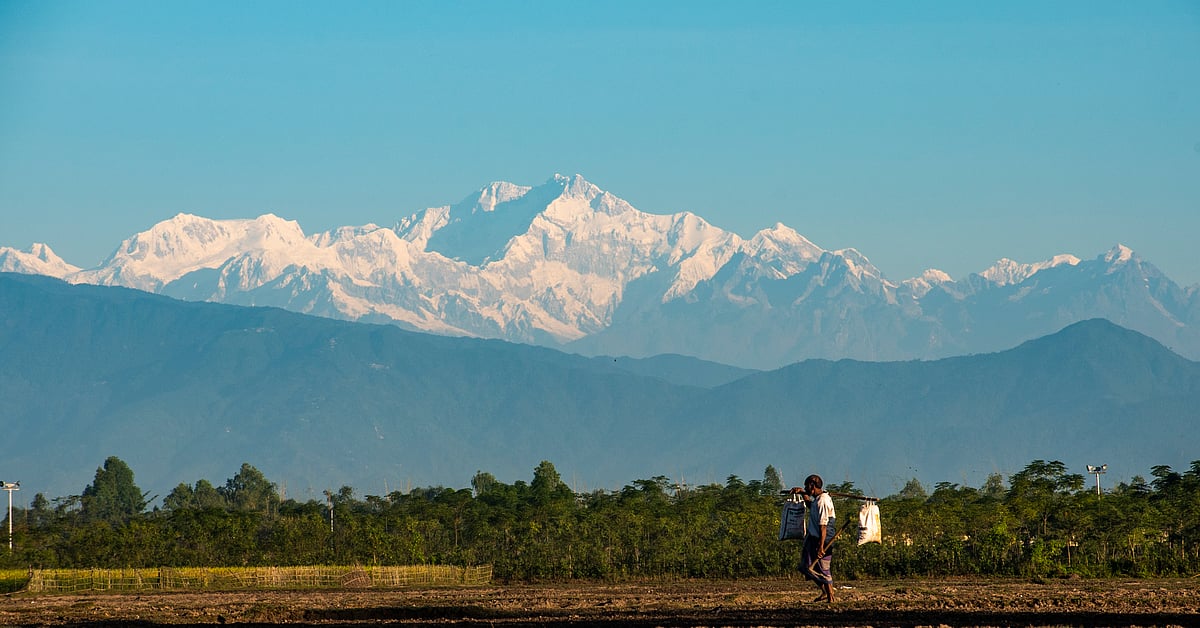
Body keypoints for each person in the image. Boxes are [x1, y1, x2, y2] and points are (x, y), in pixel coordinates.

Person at [791, 474, 836, 603]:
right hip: (814, 537)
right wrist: (802, 493)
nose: (805, 488)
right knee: (806, 566)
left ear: (812, 485)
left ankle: (831, 597)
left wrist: (821, 546)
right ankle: (824, 592)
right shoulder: (818, 500)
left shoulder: (823, 501)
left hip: (822, 539)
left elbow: (823, 527)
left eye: (806, 486)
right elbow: (811, 505)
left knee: (823, 569)